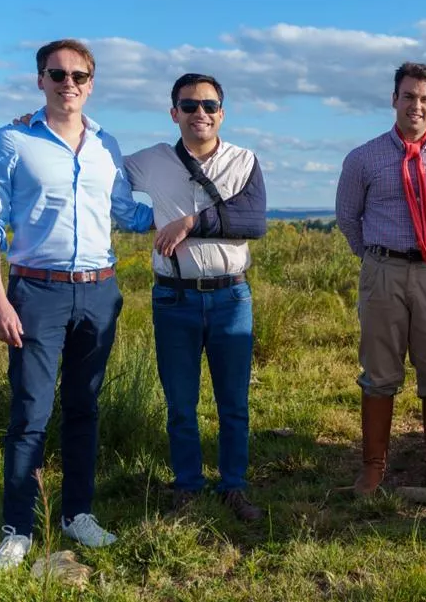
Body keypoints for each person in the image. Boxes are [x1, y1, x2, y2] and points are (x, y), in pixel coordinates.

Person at [0, 39, 154, 570]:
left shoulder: (106, 144)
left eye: (78, 75)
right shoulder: (11, 140)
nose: (68, 83)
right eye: (57, 74)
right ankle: (18, 529)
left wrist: (186, 213)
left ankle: (77, 514)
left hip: (99, 291)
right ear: (40, 80)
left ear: (91, 83)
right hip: (35, 292)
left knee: (84, 407)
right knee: (30, 412)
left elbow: (127, 213)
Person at [123, 73, 268, 522]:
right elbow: (94, 169)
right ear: (174, 113)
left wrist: (187, 223)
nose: (199, 113)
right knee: (180, 405)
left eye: (209, 105)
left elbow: (253, 221)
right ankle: (187, 487)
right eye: (189, 105)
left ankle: (234, 486)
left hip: (231, 298)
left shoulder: (243, 160)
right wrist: (43, 125)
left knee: (234, 404)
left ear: (222, 113)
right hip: (174, 298)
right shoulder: (152, 161)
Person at [334, 61, 426, 497]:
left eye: (425, 99)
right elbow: (348, 217)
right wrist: (376, 259)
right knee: (379, 370)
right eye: (409, 96)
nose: (417, 105)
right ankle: (373, 468)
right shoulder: (363, 158)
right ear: (394, 99)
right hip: (383, 271)